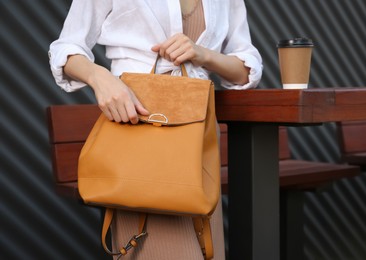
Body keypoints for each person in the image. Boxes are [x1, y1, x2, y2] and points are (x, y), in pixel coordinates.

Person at [49, 0, 263, 259]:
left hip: (199, 135)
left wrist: (203, 54)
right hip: (137, 123)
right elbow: (66, 48)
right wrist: (101, 78)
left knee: (210, 250)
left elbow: (245, 70)